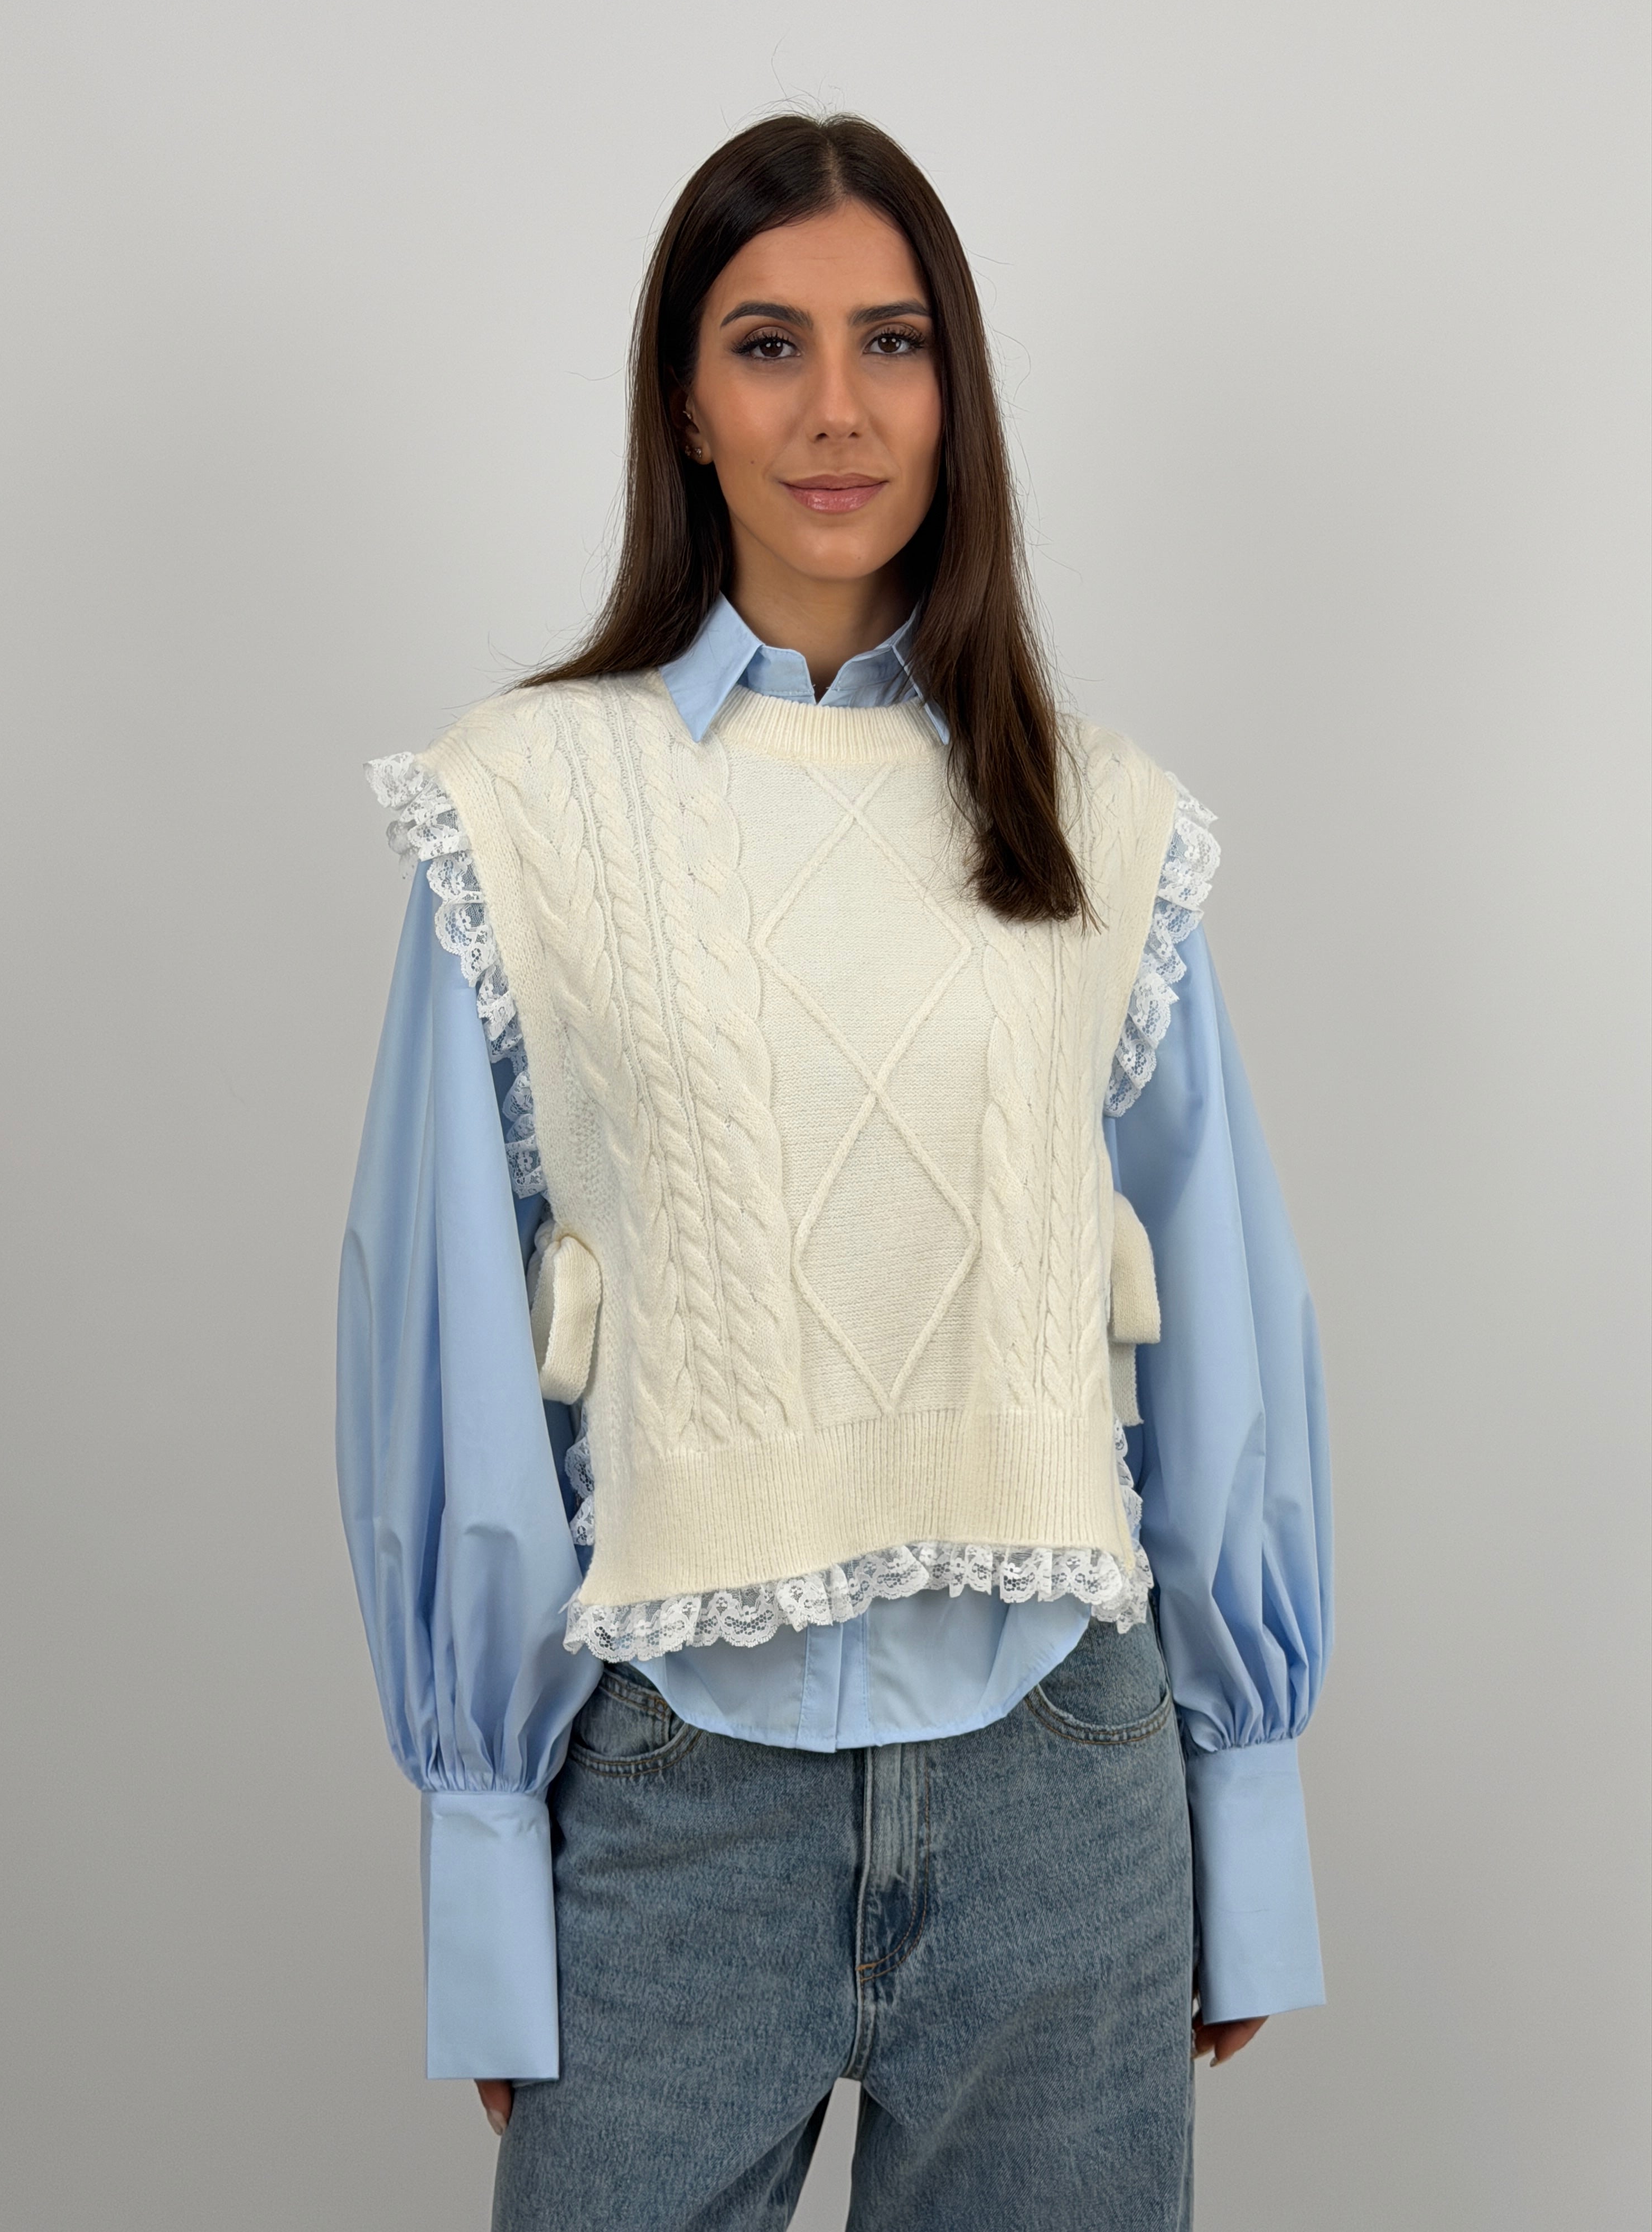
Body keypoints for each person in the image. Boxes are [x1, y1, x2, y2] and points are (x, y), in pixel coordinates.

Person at [337, 110, 1332, 2231]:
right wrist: (487, 1854)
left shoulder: (1098, 818)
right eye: (767, 343)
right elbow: (448, 1341)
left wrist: (1243, 1804)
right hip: (677, 1804)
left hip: (1067, 1787)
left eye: (893, 341)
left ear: (955, 393)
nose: (838, 410)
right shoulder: (526, 809)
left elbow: (1219, 1317)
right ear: (686, 402)